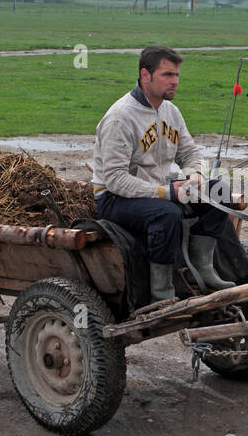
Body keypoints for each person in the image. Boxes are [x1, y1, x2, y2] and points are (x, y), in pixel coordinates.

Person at [92, 45, 238, 301]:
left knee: (220, 192)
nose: (175, 82)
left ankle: (201, 270)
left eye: (177, 75)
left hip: (157, 190)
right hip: (114, 198)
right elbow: (114, 179)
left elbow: (190, 152)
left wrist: (195, 175)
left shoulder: (171, 111)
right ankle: (161, 291)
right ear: (145, 75)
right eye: (167, 75)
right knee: (167, 213)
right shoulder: (120, 117)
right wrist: (166, 192)